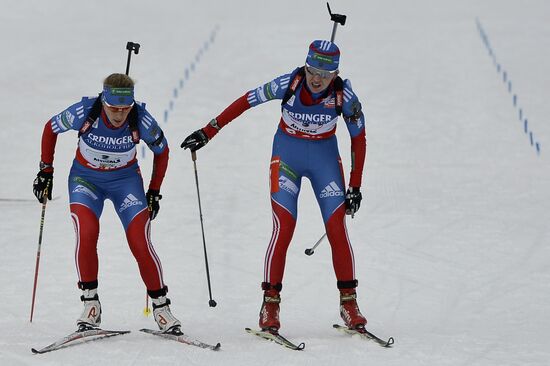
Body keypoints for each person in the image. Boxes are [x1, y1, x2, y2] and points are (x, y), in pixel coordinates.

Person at [181, 40, 368, 333]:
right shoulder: (288, 84)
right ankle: (270, 304)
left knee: (336, 229)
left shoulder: (345, 97)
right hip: (287, 157)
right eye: (312, 71)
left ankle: (349, 302)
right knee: (284, 227)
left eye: (325, 74)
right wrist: (208, 132)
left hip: (325, 161)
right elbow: (246, 100)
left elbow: (359, 138)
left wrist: (355, 185)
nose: (317, 79)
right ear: (305, 66)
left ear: (336, 74)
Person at [33, 73, 182, 334]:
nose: (119, 115)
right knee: (87, 233)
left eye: (125, 109)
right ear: (104, 102)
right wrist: (46, 170)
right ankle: (91, 305)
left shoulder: (141, 119)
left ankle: (161, 308)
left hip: (125, 182)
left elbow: (163, 151)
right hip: (86, 179)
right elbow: (51, 127)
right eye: (113, 108)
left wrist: (154, 190)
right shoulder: (84, 111)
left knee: (140, 240)